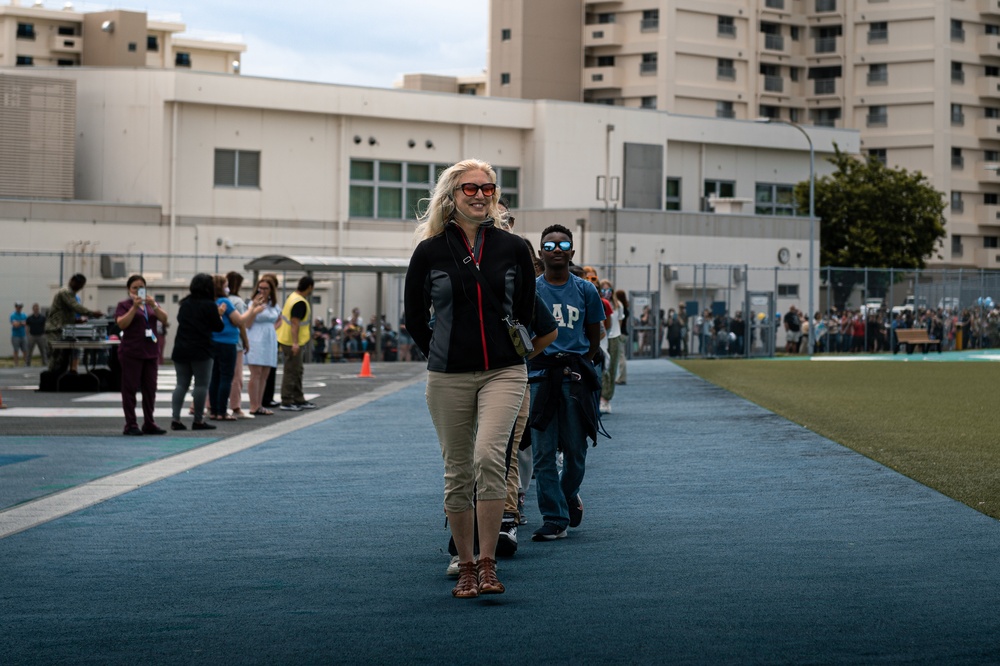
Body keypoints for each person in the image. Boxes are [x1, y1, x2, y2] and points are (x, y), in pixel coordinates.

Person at [404, 158, 535, 599]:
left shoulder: (514, 247)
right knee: (458, 471)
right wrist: (440, 352)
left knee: (488, 457)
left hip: (505, 371)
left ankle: (488, 562)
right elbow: (413, 319)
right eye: (470, 189)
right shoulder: (429, 251)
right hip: (448, 375)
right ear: (451, 196)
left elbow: (528, 311)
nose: (480, 195)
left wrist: (512, 350)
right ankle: (464, 563)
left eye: (488, 188)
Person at [529, 224, 604, 542]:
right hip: (540, 379)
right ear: (540, 252)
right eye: (549, 246)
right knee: (543, 453)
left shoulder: (586, 290)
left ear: (572, 252)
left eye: (563, 245)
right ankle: (554, 517)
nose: (556, 250)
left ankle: (568, 493)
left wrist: (578, 364)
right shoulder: (531, 290)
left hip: (574, 379)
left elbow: (594, 336)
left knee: (576, 450)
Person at [114, 275, 168, 436]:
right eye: (134, 288)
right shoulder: (124, 305)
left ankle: (149, 422)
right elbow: (121, 323)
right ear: (129, 290)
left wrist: (154, 306)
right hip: (132, 351)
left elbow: (164, 319)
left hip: (150, 352)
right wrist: (134, 308)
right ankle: (130, 423)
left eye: (141, 287)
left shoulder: (151, 304)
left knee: (150, 389)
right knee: (130, 388)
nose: (138, 291)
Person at [170, 273, 224, 431]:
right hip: (201, 349)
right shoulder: (209, 305)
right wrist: (219, 314)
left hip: (181, 349)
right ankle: (198, 420)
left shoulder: (185, 303)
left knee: (181, 384)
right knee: (201, 385)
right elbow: (218, 327)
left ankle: (175, 419)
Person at [209, 274, 259, 421]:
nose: (227, 287)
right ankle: (222, 411)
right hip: (227, 342)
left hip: (213, 342)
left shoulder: (211, 302)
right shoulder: (226, 301)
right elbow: (239, 320)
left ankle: (214, 410)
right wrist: (252, 308)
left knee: (215, 377)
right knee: (226, 377)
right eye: (225, 285)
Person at [45, 274, 103, 374]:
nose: (80, 287)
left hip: (62, 329)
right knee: (55, 357)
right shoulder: (65, 292)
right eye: (79, 284)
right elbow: (75, 306)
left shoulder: (71, 294)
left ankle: (58, 380)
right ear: (72, 281)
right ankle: (51, 380)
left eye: (81, 285)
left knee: (63, 358)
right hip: (55, 330)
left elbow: (65, 313)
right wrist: (92, 313)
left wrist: (76, 321)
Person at [277, 275, 317, 412]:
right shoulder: (299, 302)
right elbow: (295, 323)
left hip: (287, 339)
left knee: (297, 370)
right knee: (291, 371)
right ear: (310, 287)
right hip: (291, 341)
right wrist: (295, 343)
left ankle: (298, 398)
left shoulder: (292, 297)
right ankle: (287, 400)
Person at [246, 278, 281, 416]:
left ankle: (260, 404)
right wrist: (255, 310)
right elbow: (247, 323)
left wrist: (273, 328)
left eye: (266, 288)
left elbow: (279, 318)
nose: (262, 291)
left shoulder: (274, 304)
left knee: (265, 374)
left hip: (269, 339)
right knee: (256, 373)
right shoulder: (252, 303)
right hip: (255, 338)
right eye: (260, 288)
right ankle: (253, 405)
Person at [226, 272, 255, 420]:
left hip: (219, 342)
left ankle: (209, 404)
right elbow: (242, 323)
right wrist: (246, 341)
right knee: (236, 377)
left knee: (217, 376)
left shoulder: (219, 300)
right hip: (235, 343)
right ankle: (235, 406)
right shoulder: (237, 302)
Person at [598, 279, 624, 414]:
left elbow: (618, 322)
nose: (606, 292)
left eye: (608, 289)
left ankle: (606, 398)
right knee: (603, 369)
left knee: (612, 368)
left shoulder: (618, 305)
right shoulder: (599, 303)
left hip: (614, 337)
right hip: (603, 339)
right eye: (603, 289)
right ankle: (600, 395)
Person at [25, 303, 47, 367]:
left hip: (41, 336)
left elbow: (45, 326)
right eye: (35, 308)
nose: (36, 309)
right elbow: (27, 327)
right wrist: (27, 335)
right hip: (32, 336)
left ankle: (45, 363)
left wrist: (45, 335)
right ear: (33, 309)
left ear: (38, 309)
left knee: (43, 351)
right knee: (29, 351)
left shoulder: (43, 318)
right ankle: (27, 364)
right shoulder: (29, 318)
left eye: (37, 308)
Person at [614, 289, 629, 383]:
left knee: (620, 356)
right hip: (624, 333)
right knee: (621, 355)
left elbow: (619, 321)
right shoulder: (626, 308)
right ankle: (621, 376)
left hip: (620, 333)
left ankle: (621, 377)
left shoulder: (619, 307)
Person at [10, 301, 27, 366]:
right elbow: (15, 325)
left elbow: (26, 324)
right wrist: (22, 322)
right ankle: (16, 364)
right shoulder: (13, 315)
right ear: (16, 307)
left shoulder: (24, 315)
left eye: (20, 307)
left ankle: (26, 364)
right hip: (15, 336)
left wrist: (19, 323)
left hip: (23, 335)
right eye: (18, 307)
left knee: (25, 350)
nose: (19, 308)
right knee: (16, 350)